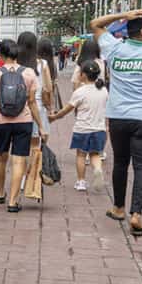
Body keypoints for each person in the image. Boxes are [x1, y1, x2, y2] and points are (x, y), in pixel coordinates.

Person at [89, 9, 142, 236]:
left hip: (118, 117)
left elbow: (95, 23)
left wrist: (122, 14)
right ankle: (136, 214)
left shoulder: (114, 49)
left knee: (120, 162)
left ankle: (118, 208)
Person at [0, 39, 48, 212]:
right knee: (19, 160)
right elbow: (33, 102)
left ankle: (0, 193)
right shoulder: (29, 73)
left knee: (0, 157)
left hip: (1, 121)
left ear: (1, 55)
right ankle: (13, 202)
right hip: (24, 121)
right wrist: (41, 126)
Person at [50, 60, 109, 192]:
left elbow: (68, 108)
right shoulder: (104, 90)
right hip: (99, 129)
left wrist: (55, 117)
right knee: (95, 154)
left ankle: (81, 181)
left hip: (82, 129)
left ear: (83, 75)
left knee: (81, 155)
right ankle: (98, 169)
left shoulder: (80, 92)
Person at [18, 32, 52, 150]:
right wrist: (50, 108)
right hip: (37, 107)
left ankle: (21, 166)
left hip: (18, 107)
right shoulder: (42, 64)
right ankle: (34, 168)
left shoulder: (15, 64)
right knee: (35, 143)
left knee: (19, 145)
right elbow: (48, 88)